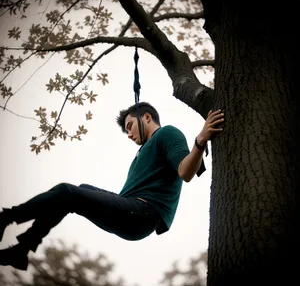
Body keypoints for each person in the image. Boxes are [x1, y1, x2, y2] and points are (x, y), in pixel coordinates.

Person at [0, 102, 224, 270]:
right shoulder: (143, 151)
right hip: (130, 210)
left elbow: (186, 172)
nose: (128, 134)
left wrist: (200, 140)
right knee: (78, 189)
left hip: (142, 213)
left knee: (66, 191)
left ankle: (7, 218)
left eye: (129, 126)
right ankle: (22, 250)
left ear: (146, 117)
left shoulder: (167, 133)